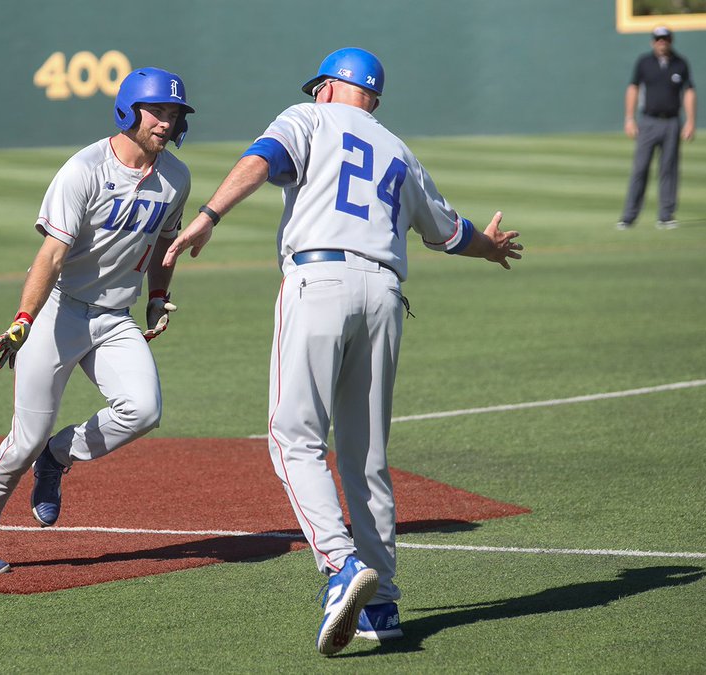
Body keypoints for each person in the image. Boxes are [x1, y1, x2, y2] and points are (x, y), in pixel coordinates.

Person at [163, 48, 522, 655]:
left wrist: (209, 215)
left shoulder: (307, 118)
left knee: (292, 436)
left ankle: (339, 564)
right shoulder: (399, 152)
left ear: (329, 87)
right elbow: (446, 232)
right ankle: (383, 606)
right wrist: (488, 248)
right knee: (366, 455)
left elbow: (263, 158)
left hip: (320, 281)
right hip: (384, 293)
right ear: (373, 98)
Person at [0, 67, 193, 575]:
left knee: (143, 410)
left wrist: (158, 296)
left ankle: (59, 457)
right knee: (22, 440)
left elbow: (165, 240)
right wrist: (23, 319)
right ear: (129, 111)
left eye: (174, 114)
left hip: (115, 317)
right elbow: (52, 254)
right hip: (59, 312)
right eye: (157, 112)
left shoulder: (176, 178)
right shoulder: (84, 170)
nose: (166, 123)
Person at [617, 26, 696, 230]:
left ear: (671, 40)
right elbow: (633, 88)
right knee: (640, 168)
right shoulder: (644, 62)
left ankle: (666, 215)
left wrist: (690, 121)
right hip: (648, 122)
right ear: (653, 42)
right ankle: (629, 216)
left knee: (669, 169)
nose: (662, 42)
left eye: (665, 39)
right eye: (658, 39)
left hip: (671, 121)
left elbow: (688, 91)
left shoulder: (680, 63)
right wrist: (629, 118)